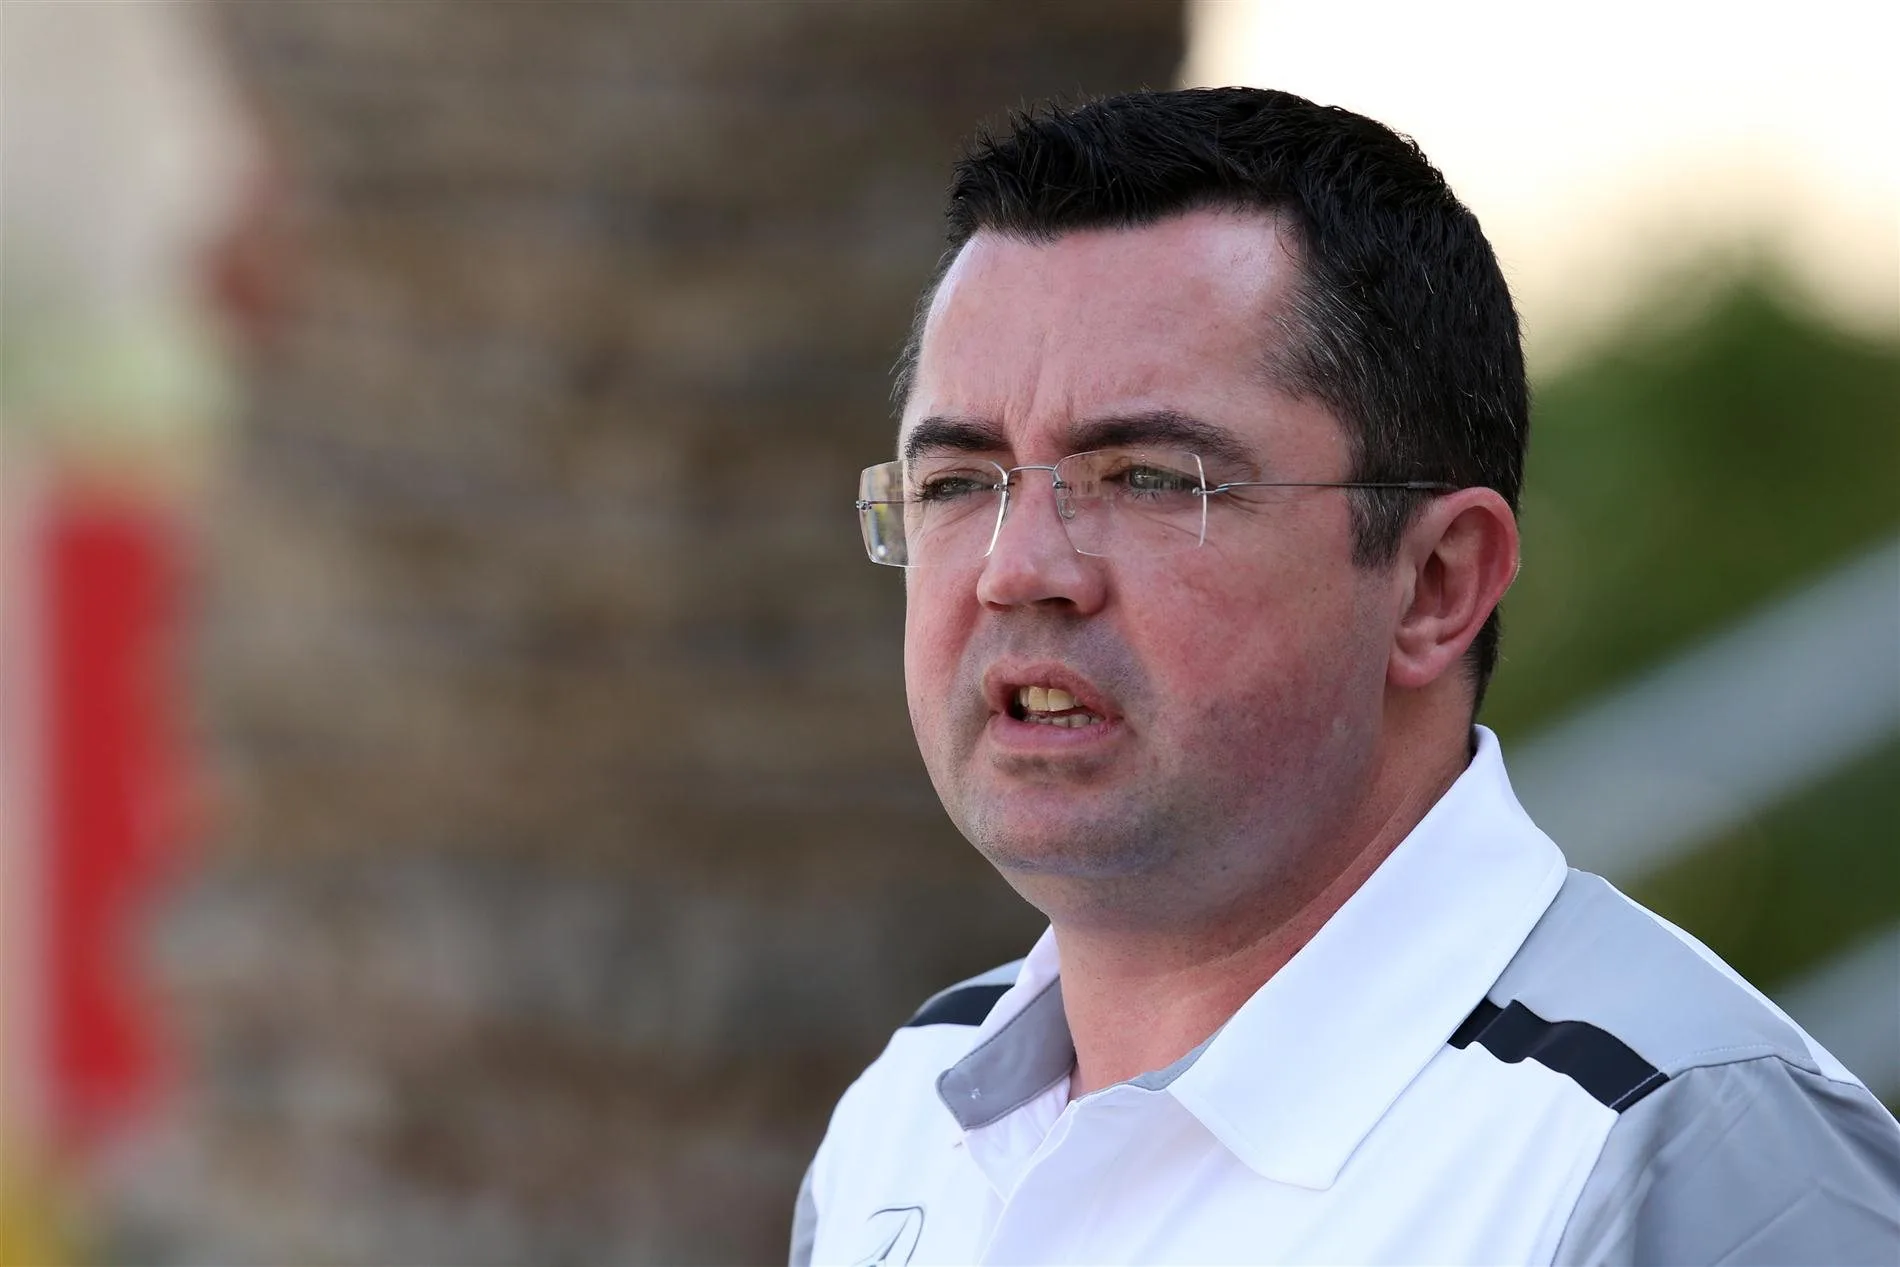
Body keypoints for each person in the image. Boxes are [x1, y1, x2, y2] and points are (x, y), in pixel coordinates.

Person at [794, 87, 1900, 1266]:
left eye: (1150, 478)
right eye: (959, 484)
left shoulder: (1675, 1155)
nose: (1017, 570)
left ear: (1435, 585)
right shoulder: (903, 1120)